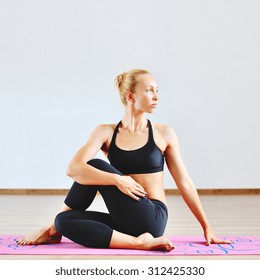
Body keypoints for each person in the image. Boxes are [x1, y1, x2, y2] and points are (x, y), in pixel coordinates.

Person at [18, 69, 231, 251]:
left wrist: (206, 227)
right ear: (130, 97)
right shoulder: (106, 132)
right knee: (63, 221)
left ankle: (53, 231)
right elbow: (73, 168)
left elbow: (184, 182)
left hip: (152, 216)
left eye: (157, 90)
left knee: (95, 165)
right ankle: (133, 242)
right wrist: (117, 180)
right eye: (149, 90)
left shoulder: (164, 134)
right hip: (123, 220)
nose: (156, 96)